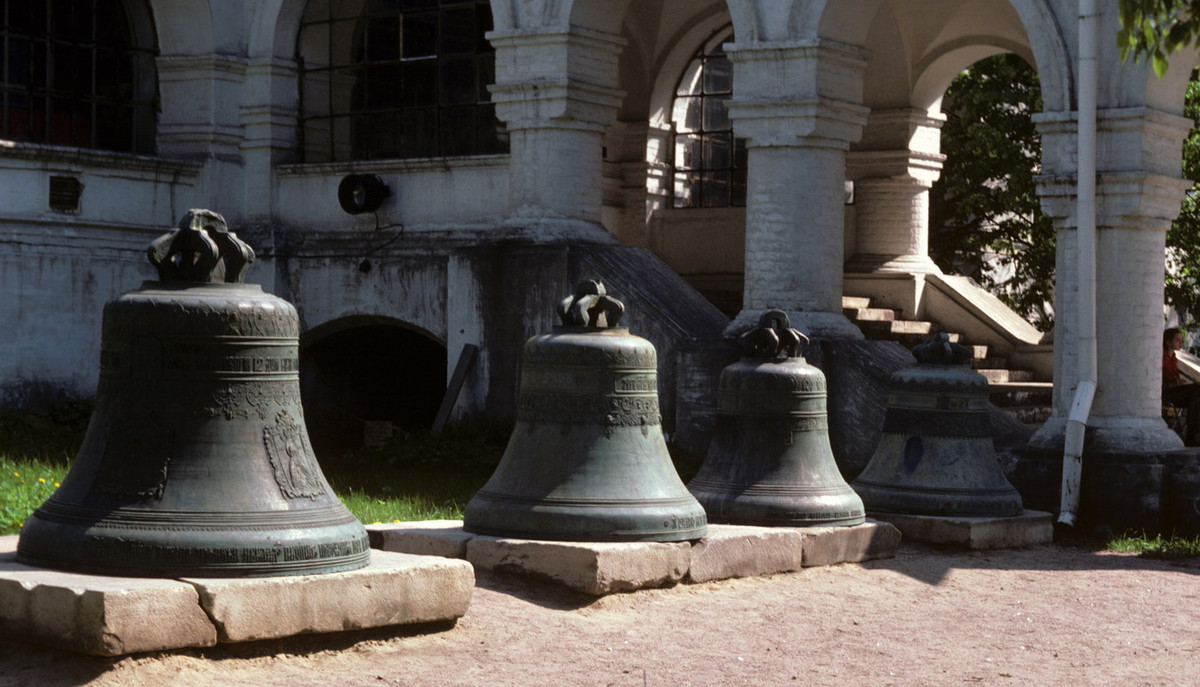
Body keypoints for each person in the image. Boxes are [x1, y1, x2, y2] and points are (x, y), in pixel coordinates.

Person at [1162, 327, 1200, 444]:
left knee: (1197, 398)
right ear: (1168, 342)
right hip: (1166, 393)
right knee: (1197, 390)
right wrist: (1173, 383)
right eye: (1177, 340)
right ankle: (1192, 435)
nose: (1181, 343)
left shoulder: (1173, 357)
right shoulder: (1161, 357)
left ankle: (1192, 435)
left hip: (1175, 391)